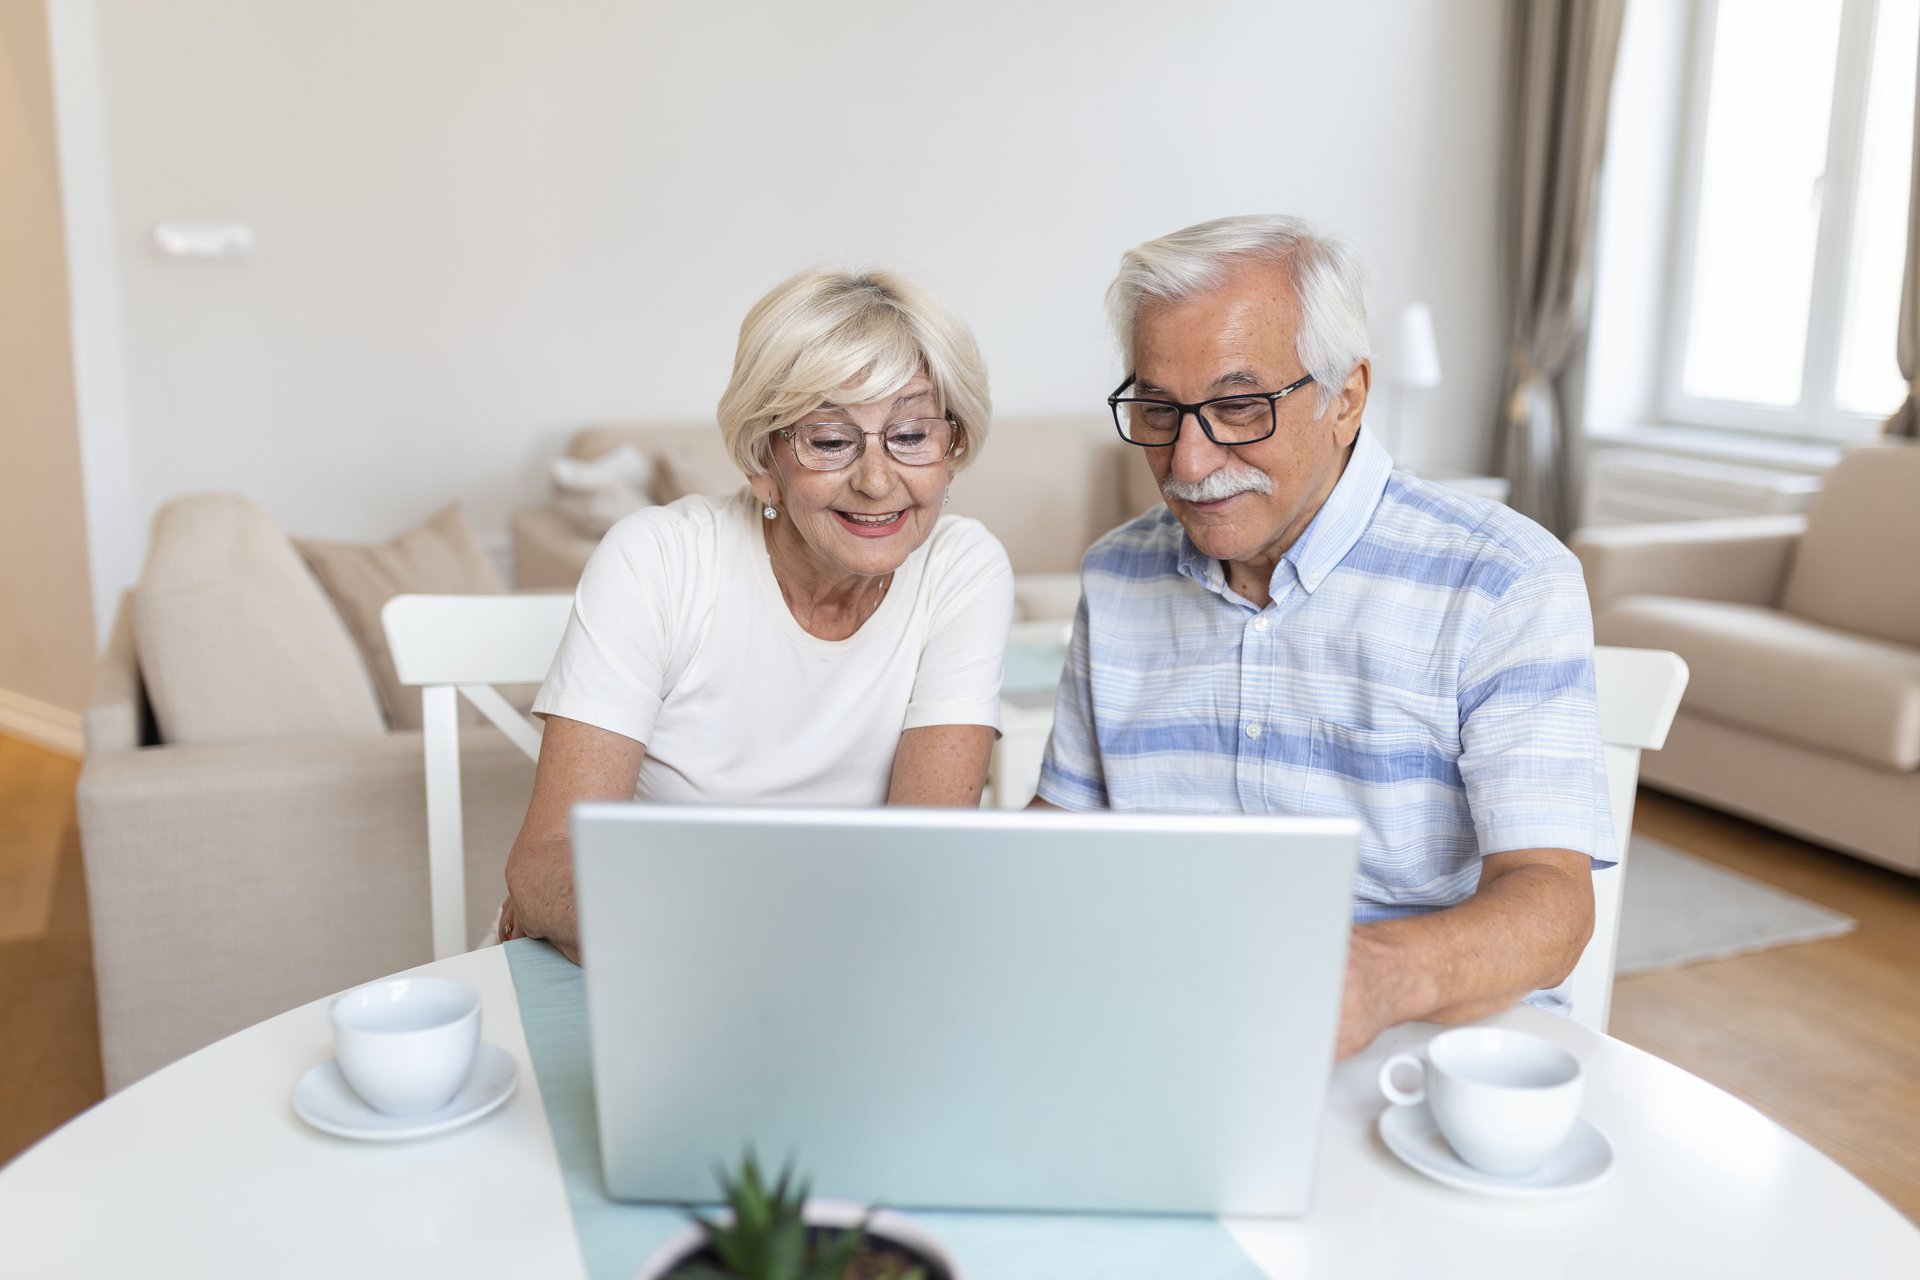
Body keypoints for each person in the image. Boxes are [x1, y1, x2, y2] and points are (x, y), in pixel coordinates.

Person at [1034, 214, 1612, 1058]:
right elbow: (1062, 844)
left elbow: (1553, 906)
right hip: (1164, 1030)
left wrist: (1372, 978)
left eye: (1237, 406)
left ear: (1346, 399)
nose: (1188, 463)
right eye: (1158, 409)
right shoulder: (1117, 577)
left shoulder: (1505, 580)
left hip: (1424, 1050)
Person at [502, 266, 1015, 962]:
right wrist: (820, 913)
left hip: (836, 975)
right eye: (831, 440)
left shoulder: (962, 570)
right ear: (762, 460)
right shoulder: (657, 559)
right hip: (662, 975)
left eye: (912, 435)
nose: (875, 479)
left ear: (951, 451)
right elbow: (541, 872)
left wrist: (641, 905)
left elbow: (920, 875)